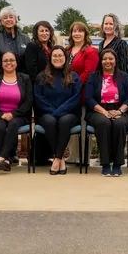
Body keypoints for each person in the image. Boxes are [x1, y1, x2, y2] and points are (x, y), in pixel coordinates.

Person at [34, 46, 82, 175]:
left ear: (65, 58)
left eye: (60, 55)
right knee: (50, 121)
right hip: (46, 114)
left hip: (69, 113)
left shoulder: (73, 76)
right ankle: (60, 159)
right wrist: (52, 111)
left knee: (64, 121)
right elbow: (39, 97)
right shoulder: (42, 76)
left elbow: (75, 98)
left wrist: (59, 112)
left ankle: (57, 158)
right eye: (54, 56)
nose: (57, 58)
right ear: (50, 59)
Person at [85, 49, 128, 177]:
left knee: (119, 124)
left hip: (119, 109)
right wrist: (104, 112)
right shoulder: (93, 76)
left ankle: (117, 165)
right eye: (105, 58)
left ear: (116, 61)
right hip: (97, 110)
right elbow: (89, 98)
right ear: (100, 61)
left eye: (111, 58)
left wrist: (119, 111)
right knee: (103, 123)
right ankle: (105, 164)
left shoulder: (124, 76)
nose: (108, 61)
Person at [0, 51, 33, 171]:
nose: (9, 63)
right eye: (5, 60)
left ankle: (2, 158)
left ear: (16, 62)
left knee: (14, 124)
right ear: (1, 63)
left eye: (11, 60)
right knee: (0, 127)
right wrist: (1, 114)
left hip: (19, 115)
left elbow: (29, 100)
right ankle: (6, 160)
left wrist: (13, 114)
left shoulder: (24, 78)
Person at [23, 20, 56, 166]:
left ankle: (44, 156)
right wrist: (43, 83)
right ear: (36, 33)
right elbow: (32, 70)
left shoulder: (51, 48)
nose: (44, 33)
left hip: (53, 91)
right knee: (42, 121)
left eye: (47, 30)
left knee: (49, 121)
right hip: (38, 89)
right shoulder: (32, 47)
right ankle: (35, 156)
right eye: (41, 31)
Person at [65, 21, 98, 164]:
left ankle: (83, 157)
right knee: (71, 126)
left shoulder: (90, 51)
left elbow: (89, 73)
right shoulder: (67, 50)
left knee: (83, 126)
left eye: (80, 31)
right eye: (74, 31)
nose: (77, 33)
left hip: (83, 93)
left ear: (85, 33)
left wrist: (74, 85)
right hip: (67, 94)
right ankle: (73, 155)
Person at [0, 6, 30, 74]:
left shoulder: (26, 38)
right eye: (5, 18)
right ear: (1, 21)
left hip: (23, 78)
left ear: (16, 20)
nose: (8, 19)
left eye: (11, 17)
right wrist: (7, 76)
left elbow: (29, 61)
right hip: (3, 78)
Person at [98, 13, 128, 77]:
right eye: (106, 24)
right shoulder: (101, 44)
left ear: (116, 26)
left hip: (116, 80)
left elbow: (125, 68)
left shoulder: (121, 44)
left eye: (111, 24)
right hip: (102, 80)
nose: (108, 26)